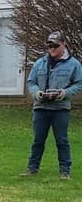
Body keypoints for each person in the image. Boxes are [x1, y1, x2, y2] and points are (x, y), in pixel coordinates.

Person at [24, 31, 82, 179]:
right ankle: (32, 168)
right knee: (38, 140)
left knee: (62, 140)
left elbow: (79, 83)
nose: (52, 48)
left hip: (60, 108)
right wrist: (37, 93)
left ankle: (65, 171)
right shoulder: (40, 63)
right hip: (40, 108)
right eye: (49, 45)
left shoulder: (74, 64)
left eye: (55, 45)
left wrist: (65, 93)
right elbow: (31, 82)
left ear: (64, 45)